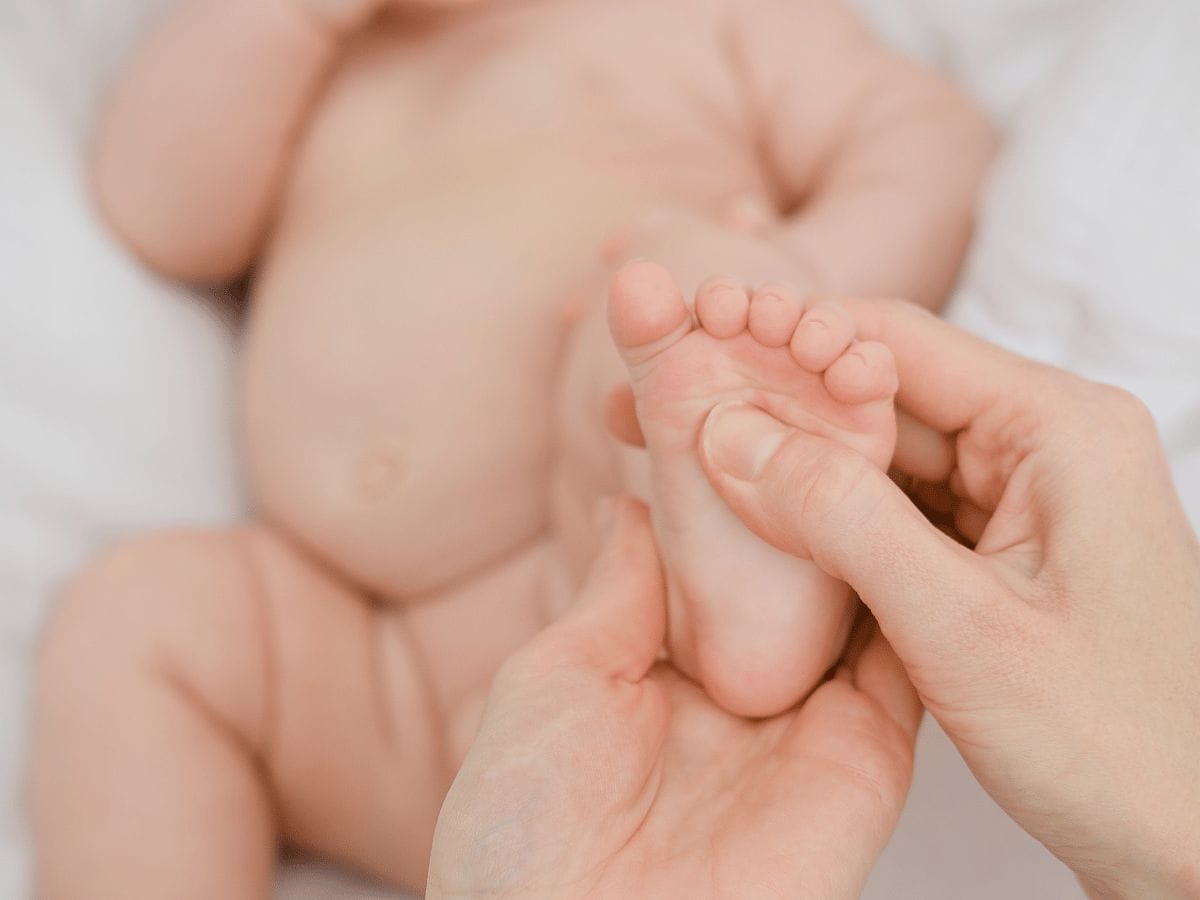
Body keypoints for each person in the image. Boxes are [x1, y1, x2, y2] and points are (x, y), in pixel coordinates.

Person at [28, 0, 994, 894]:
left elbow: (930, 147)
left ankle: (747, 572)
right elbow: (159, 213)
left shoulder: (720, 19)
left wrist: (789, 293)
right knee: (144, 616)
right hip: (378, 668)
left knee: (674, 300)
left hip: (615, 588)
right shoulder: (311, 59)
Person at [426, 300, 1200, 899]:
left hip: (516, 604)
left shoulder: (722, 96)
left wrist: (797, 260)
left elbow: (919, 143)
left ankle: (744, 588)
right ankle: (750, 569)